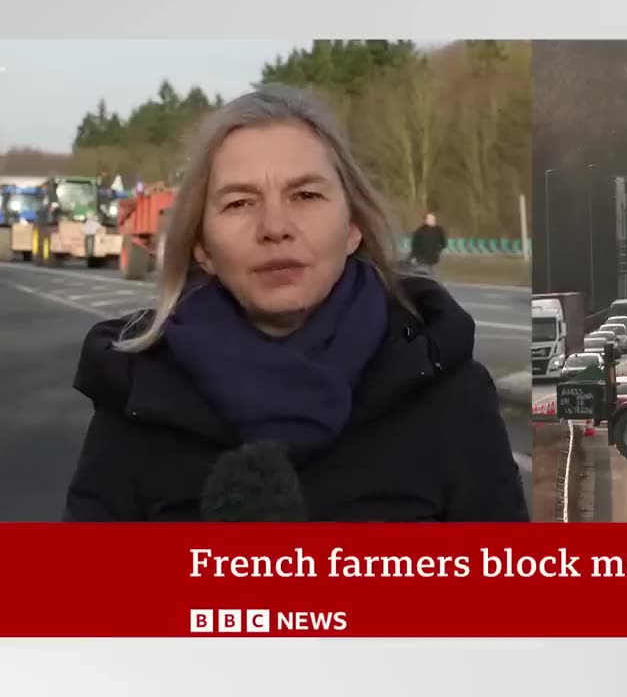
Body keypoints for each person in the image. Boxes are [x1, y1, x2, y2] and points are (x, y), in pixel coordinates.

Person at [63, 84, 527, 523]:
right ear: (201, 245)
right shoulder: (139, 397)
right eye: (240, 203)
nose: (275, 226)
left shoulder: (447, 393)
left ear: (353, 227)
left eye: (305, 195)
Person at [410, 211, 446, 276]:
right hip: (422, 259)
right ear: (426, 220)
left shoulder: (439, 230)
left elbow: (443, 242)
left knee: (433, 275)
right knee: (424, 274)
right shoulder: (419, 231)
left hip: (433, 258)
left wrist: (439, 249)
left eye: (434, 219)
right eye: (431, 219)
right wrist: (413, 256)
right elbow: (414, 245)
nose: (433, 221)